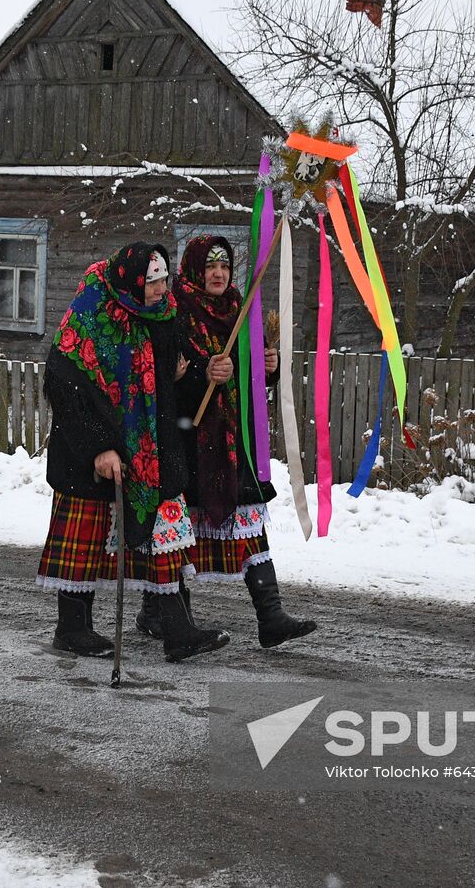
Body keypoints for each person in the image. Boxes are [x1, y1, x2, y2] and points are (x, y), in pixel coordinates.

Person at [37, 242, 230, 663]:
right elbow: (64, 388)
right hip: (89, 453)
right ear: (133, 281)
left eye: (165, 280)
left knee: (165, 533)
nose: (164, 289)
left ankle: (177, 630)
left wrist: (204, 372)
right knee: (84, 540)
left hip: (151, 447)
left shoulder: (163, 315)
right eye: (155, 281)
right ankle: (72, 628)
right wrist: (99, 448)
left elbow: (178, 375)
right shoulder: (90, 314)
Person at [137, 234, 316, 648]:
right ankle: (159, 614)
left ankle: (271, 618)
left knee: (250, 519)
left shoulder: (242, 307)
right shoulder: (174, 310)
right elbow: (163, 372)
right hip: (186, 435)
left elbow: (249, 376)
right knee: (177, 532)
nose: (218, 273)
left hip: (230, 440)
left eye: (225, 265)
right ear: (196, 268)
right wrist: (202, 372)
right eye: (210, 265)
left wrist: (266, 367)